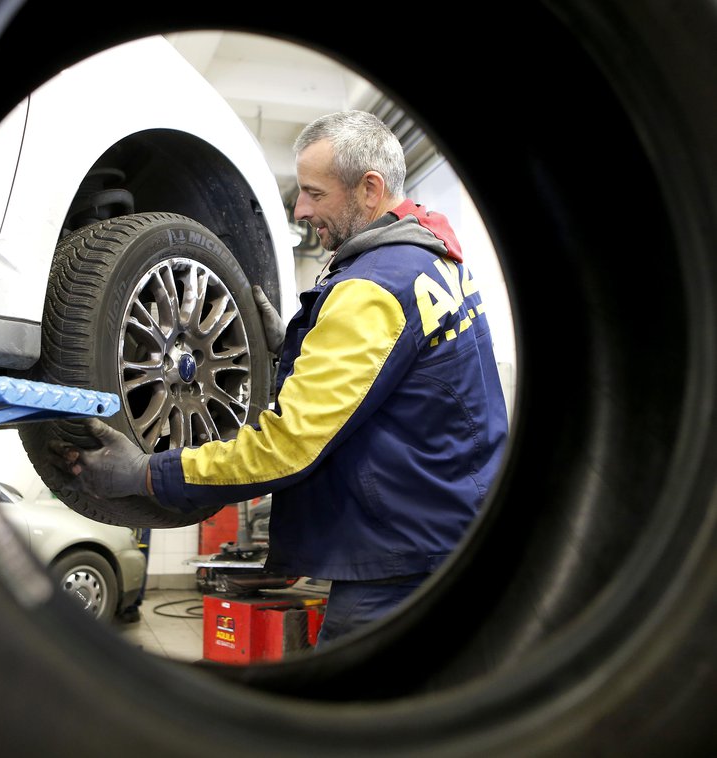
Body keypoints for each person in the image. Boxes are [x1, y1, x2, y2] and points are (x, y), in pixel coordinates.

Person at [48, 110, 509, 648]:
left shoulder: (371, 291)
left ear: (369, 188)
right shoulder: (432, 259)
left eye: (314, 193)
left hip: (406, 566)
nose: (300, 208)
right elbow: (394, 383)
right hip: (450, 531)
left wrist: (148, 475)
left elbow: (287, 449)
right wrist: (301, 338)